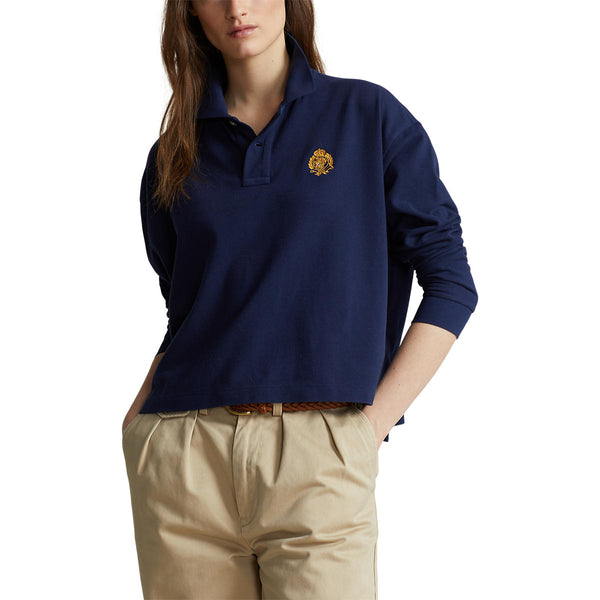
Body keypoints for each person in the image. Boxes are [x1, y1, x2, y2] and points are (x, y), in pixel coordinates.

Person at [121, 0, 478, 598]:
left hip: (320, 456)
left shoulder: (367, 116)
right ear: (190, 13)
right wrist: (138, 428)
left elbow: (451, 284)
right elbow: (185, 312)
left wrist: (365, 432)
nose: (237, 7)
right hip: (184, 458)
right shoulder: (172, 154)